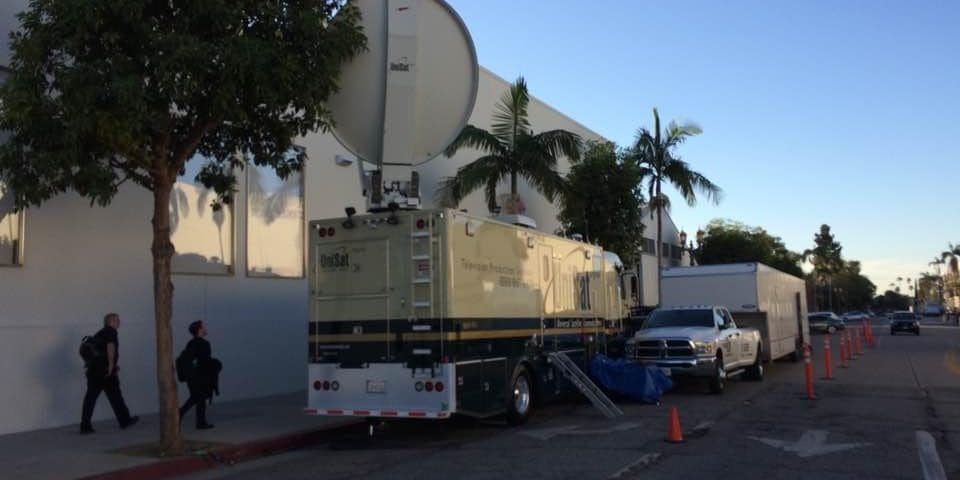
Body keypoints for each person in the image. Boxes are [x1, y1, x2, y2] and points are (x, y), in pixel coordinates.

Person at [80, 313, 139, 434]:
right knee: (116, 396)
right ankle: (125, 420)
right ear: (110, 321)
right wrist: (111, 365)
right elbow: (110, 347)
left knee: (91, 398)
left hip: (94, 372)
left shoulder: (100, 333)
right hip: (106, 372)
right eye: (116, 320)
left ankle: (85, 426)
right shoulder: (111, 332)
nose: (119, 322)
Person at [179, 320, 216, 430]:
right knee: (199, 398)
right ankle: (199, 422)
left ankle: (184, 416)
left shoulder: (191, 343)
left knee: (197, 398)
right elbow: (206, 361)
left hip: (191, 376)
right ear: (199, 330)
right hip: (200, 376)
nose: (205, 328)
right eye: (203, 327)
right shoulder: (204, 344)